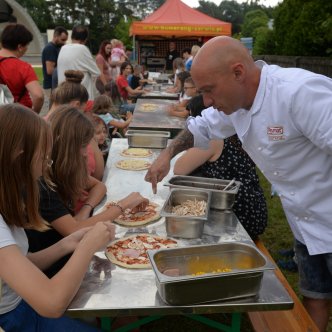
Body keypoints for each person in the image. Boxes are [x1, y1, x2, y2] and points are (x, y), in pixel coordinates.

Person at [146, 36, 332, 332]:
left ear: (238, 72)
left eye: (209, 90)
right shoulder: (238, 102)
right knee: (315, 296)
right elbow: (201, 126)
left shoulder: (299, 93)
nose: (206, 101)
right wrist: (168, 152)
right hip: (303, 219)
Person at [0, 103, 114, 331]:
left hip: (23, 303)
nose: (45, 168)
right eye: (43, 158)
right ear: (20, 156)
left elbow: (21, 262)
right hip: (13, 318)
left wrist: (68, 244)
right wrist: (87, 246)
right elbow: (51, 304)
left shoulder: (8, 197)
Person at [26, 105, 148, 277]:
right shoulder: (43, 184)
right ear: (67, 146)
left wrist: (85, 209)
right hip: (53, 270)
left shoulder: (63, 169)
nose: (86, 153)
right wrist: (122, 205)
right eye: (83, 145)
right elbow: (73, 231)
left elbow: (99, 186)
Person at [173, 100, 267, 239]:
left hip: (236, 216)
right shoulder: (238, 134)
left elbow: (179, 169)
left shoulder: (214, 139)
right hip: (255, 208)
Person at [48, 70, 104, 181]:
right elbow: (98, 173)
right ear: (76, 105)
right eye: (83, 111)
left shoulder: (36, 125)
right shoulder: (74, 129)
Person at [0, 23, 43, 113]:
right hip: (18, 117)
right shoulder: (23, 67)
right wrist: (34, 114)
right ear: (20, 47)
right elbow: (38, 96)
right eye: (27, 45)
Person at [57, 25, 100, 99]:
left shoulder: (63, 48)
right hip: (80, 96)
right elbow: (96, 72)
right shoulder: (82, 49)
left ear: (72, 36)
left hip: (64, 94)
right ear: (85, 39)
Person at [41, 26, 68, 95]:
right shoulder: (50, 48)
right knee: (54, 105)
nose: (64, 42)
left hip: (54, 84)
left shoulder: (56, 47)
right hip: (51, 85)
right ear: (55, 36)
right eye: (62, 39)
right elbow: (50, 70)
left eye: (65, 40)